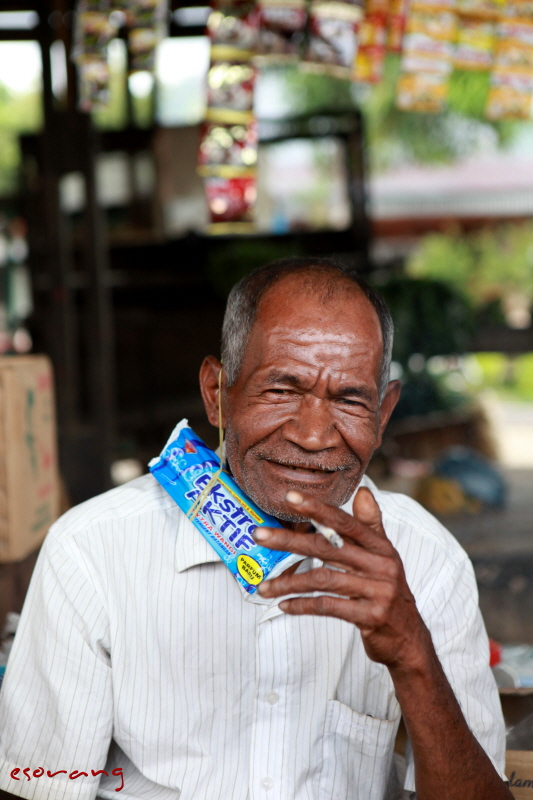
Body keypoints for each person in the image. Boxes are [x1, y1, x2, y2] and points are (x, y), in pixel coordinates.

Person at [0, 257, 511, 800]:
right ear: (216, 393)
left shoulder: (426, 559)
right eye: (282, 390)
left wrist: (413, 655)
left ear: (383, 415)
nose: (314, 436)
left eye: (349, 400)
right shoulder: (91, 553)